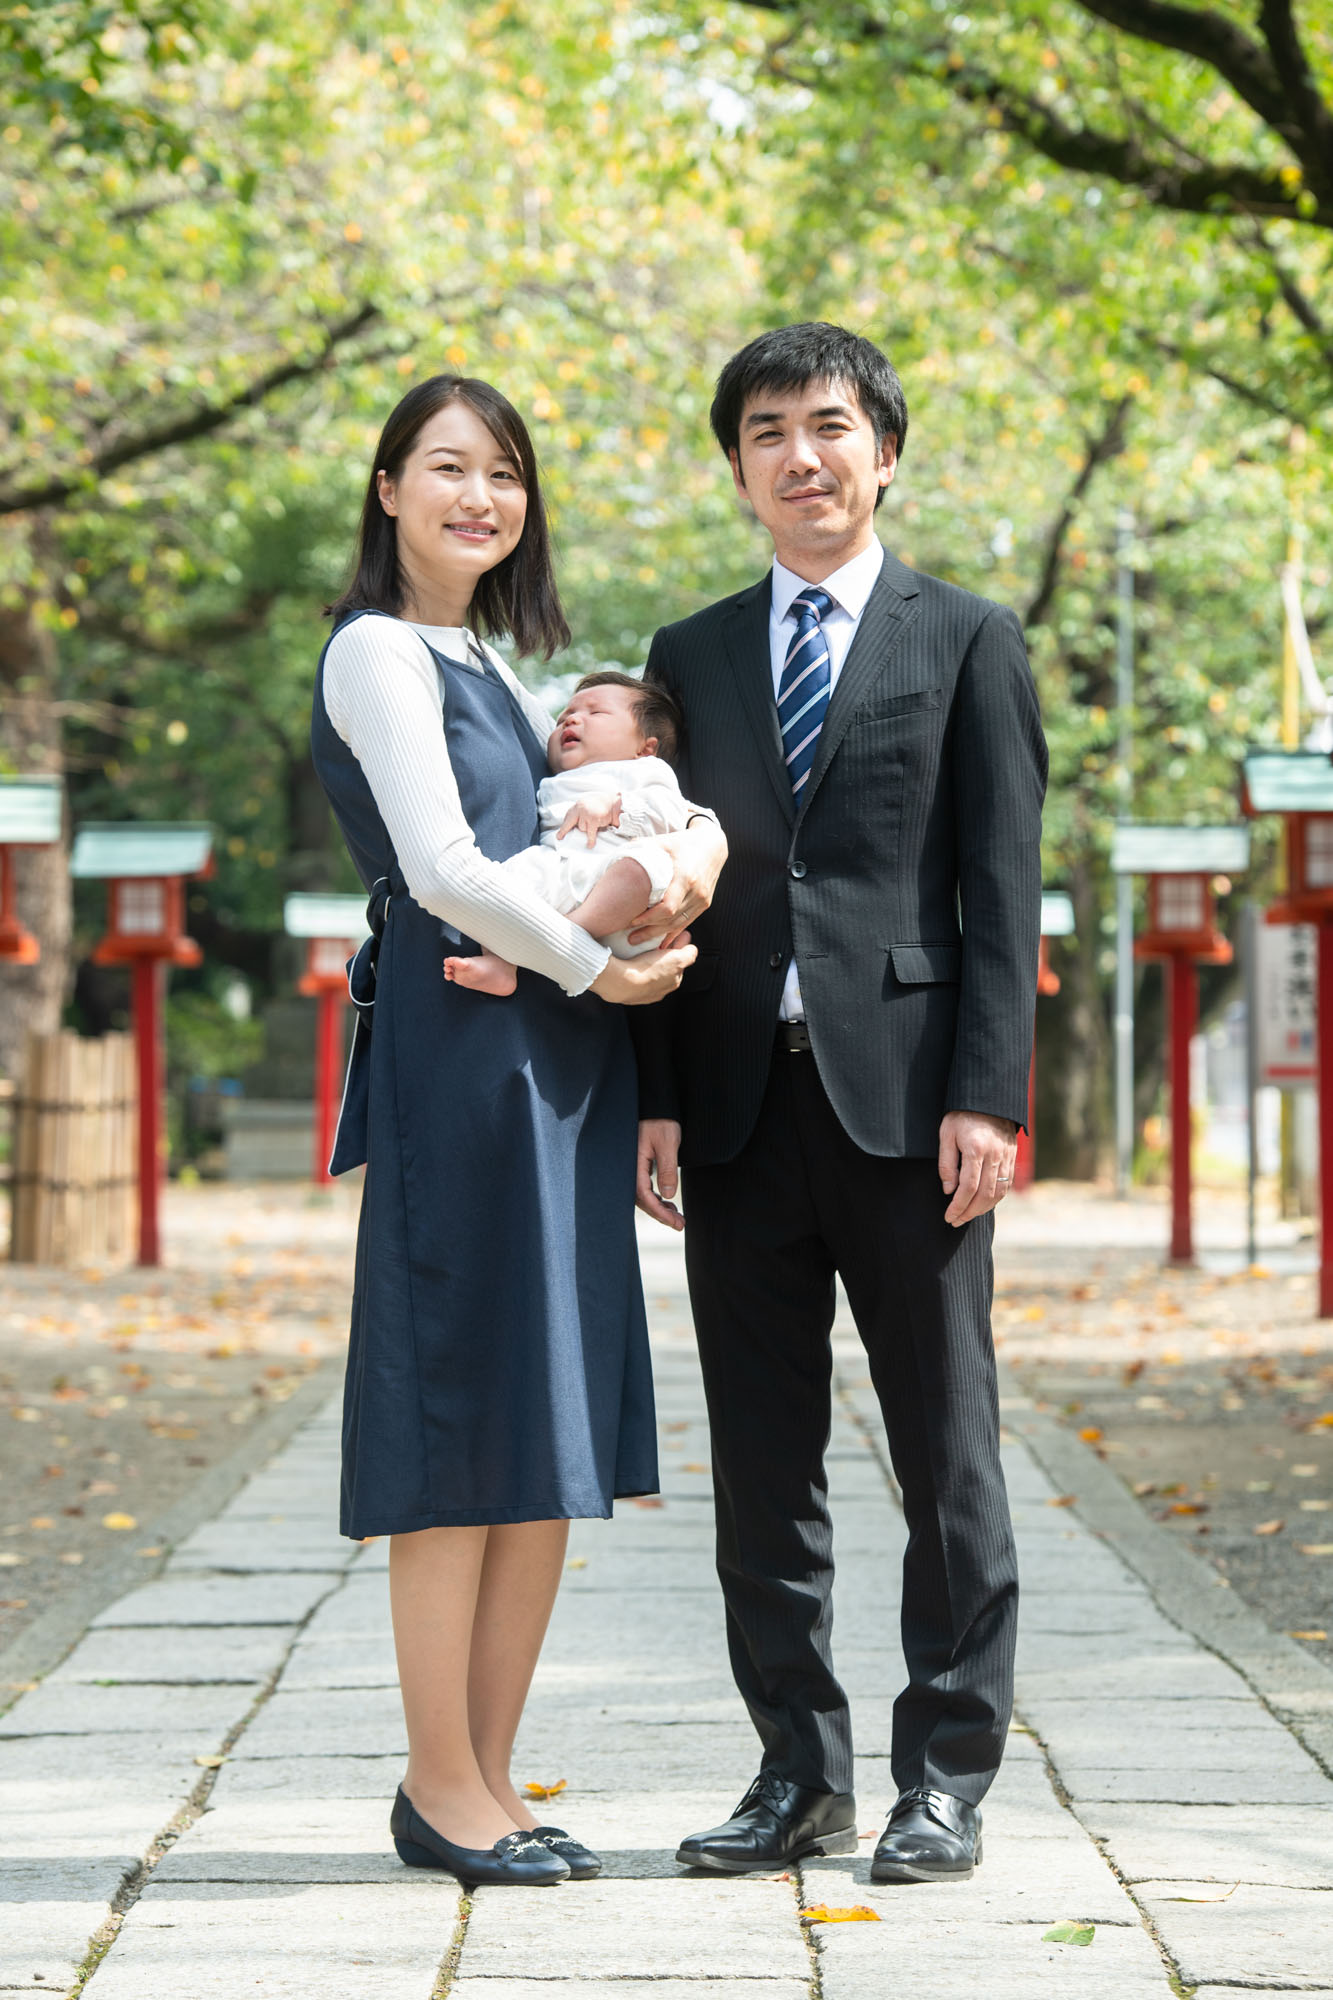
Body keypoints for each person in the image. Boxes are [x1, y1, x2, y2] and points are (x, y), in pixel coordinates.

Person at [633, 324, 1046, 1884]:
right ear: (737, 469)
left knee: (947, 1456)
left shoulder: (967, 640)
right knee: (763, 1458)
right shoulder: (692, 651)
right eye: (764, 433)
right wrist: (660, 1098)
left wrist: (990, 1097)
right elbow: (667, 897)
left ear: (883, 449)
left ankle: (946, 1775)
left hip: (911, 1114)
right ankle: (794, 1771)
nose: (799, 457)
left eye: (827, 427)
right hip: (737, 1113)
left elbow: (1000, 890)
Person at [310, 373, 726, 1889]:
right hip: (465, 1056)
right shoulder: (375, 654)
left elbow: (622, 825)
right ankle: (438, 1783)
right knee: (463, 1422)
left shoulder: (486, 661)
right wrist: (601, 961)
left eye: (503, 474)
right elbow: (438, 866)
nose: (477, 497)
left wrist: (663, 887)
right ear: (388, 490)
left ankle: (488, 1773)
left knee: (548, 1426)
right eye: (446, 468)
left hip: (556, 1059)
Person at [443, 671, 693, 993]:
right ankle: (504, 963)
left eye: (596, 712)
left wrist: (616, 807)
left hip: (620, 892)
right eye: (564, 716)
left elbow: (671, 813)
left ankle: (564, 939)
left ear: (645, 747)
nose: (572, 719)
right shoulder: (552, 778)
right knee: (498, 885)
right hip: (557, 871)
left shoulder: (646, 770)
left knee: (645, 865)